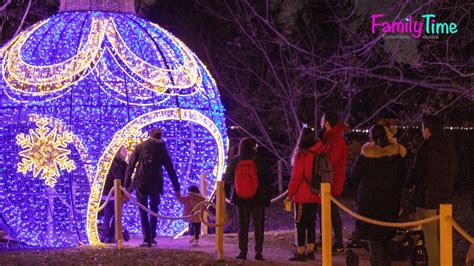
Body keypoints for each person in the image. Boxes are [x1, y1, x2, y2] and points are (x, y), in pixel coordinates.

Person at [351, 125, 407, 266]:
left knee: (374, 242)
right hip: (390, 204)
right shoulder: (396, 157)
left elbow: (353, 178)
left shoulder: (366, 158)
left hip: (369, 206)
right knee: (383, 238)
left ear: (371, 138)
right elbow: (403, 177)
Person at [406, 115, 458, 266]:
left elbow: (416, 173)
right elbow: (456, 171)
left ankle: (435, 263)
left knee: (430, 234)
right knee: (444, 233)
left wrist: (409, 184)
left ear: (427, 129)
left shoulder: (426, 148)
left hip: (428, 198)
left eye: (423, 128)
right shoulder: (449, 147)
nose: (422, 131)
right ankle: (446, 261)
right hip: (446, 196)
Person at [125, 128, 181, 247]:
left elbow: (130, 166)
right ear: (160, 137)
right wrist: (177, 189)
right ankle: (152, 236)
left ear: (150, 135)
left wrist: (126, 186)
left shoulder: (140, 147)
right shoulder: (162, 149)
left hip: (141, 182)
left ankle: (146, 238)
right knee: (154, 209)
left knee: (143, 210)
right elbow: (171, 170)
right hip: (155, 183)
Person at [225, 137, 271, 261]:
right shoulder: (260, 160)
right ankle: (258, 253)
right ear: (254, 147)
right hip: (258, 197)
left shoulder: (235, 160)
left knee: (243, 225)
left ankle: (243, 252)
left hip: (241, 197)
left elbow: (228, 178)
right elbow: (267, 178)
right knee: (258, 225)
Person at [287, 127, 326, 261]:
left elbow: (296, 177)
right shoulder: (318, 154)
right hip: (315, 193)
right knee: (311, 223)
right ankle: (311, 250)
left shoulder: (301, 155)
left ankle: (301, 251)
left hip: (302, 195)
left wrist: (289, 194)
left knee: (300, 223)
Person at [317, 112, 349, 253]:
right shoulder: (330, 138)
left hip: (332, 181)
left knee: (332, 212)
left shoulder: (336, 140)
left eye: (323, 120)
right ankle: (326, 239)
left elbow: (331, 161)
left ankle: (338, 242)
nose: (321, 122)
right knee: (323, 211)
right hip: (327, 181)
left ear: (327, 122)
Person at [102, 146, 128, 243]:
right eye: (123, 150)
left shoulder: (123, 164)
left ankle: (111, 234)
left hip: (117, 193)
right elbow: (119, 177)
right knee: (108, 214)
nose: (126, 152)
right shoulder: (115, 163)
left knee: (115, 215)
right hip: (110, 192)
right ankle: (107, 235)